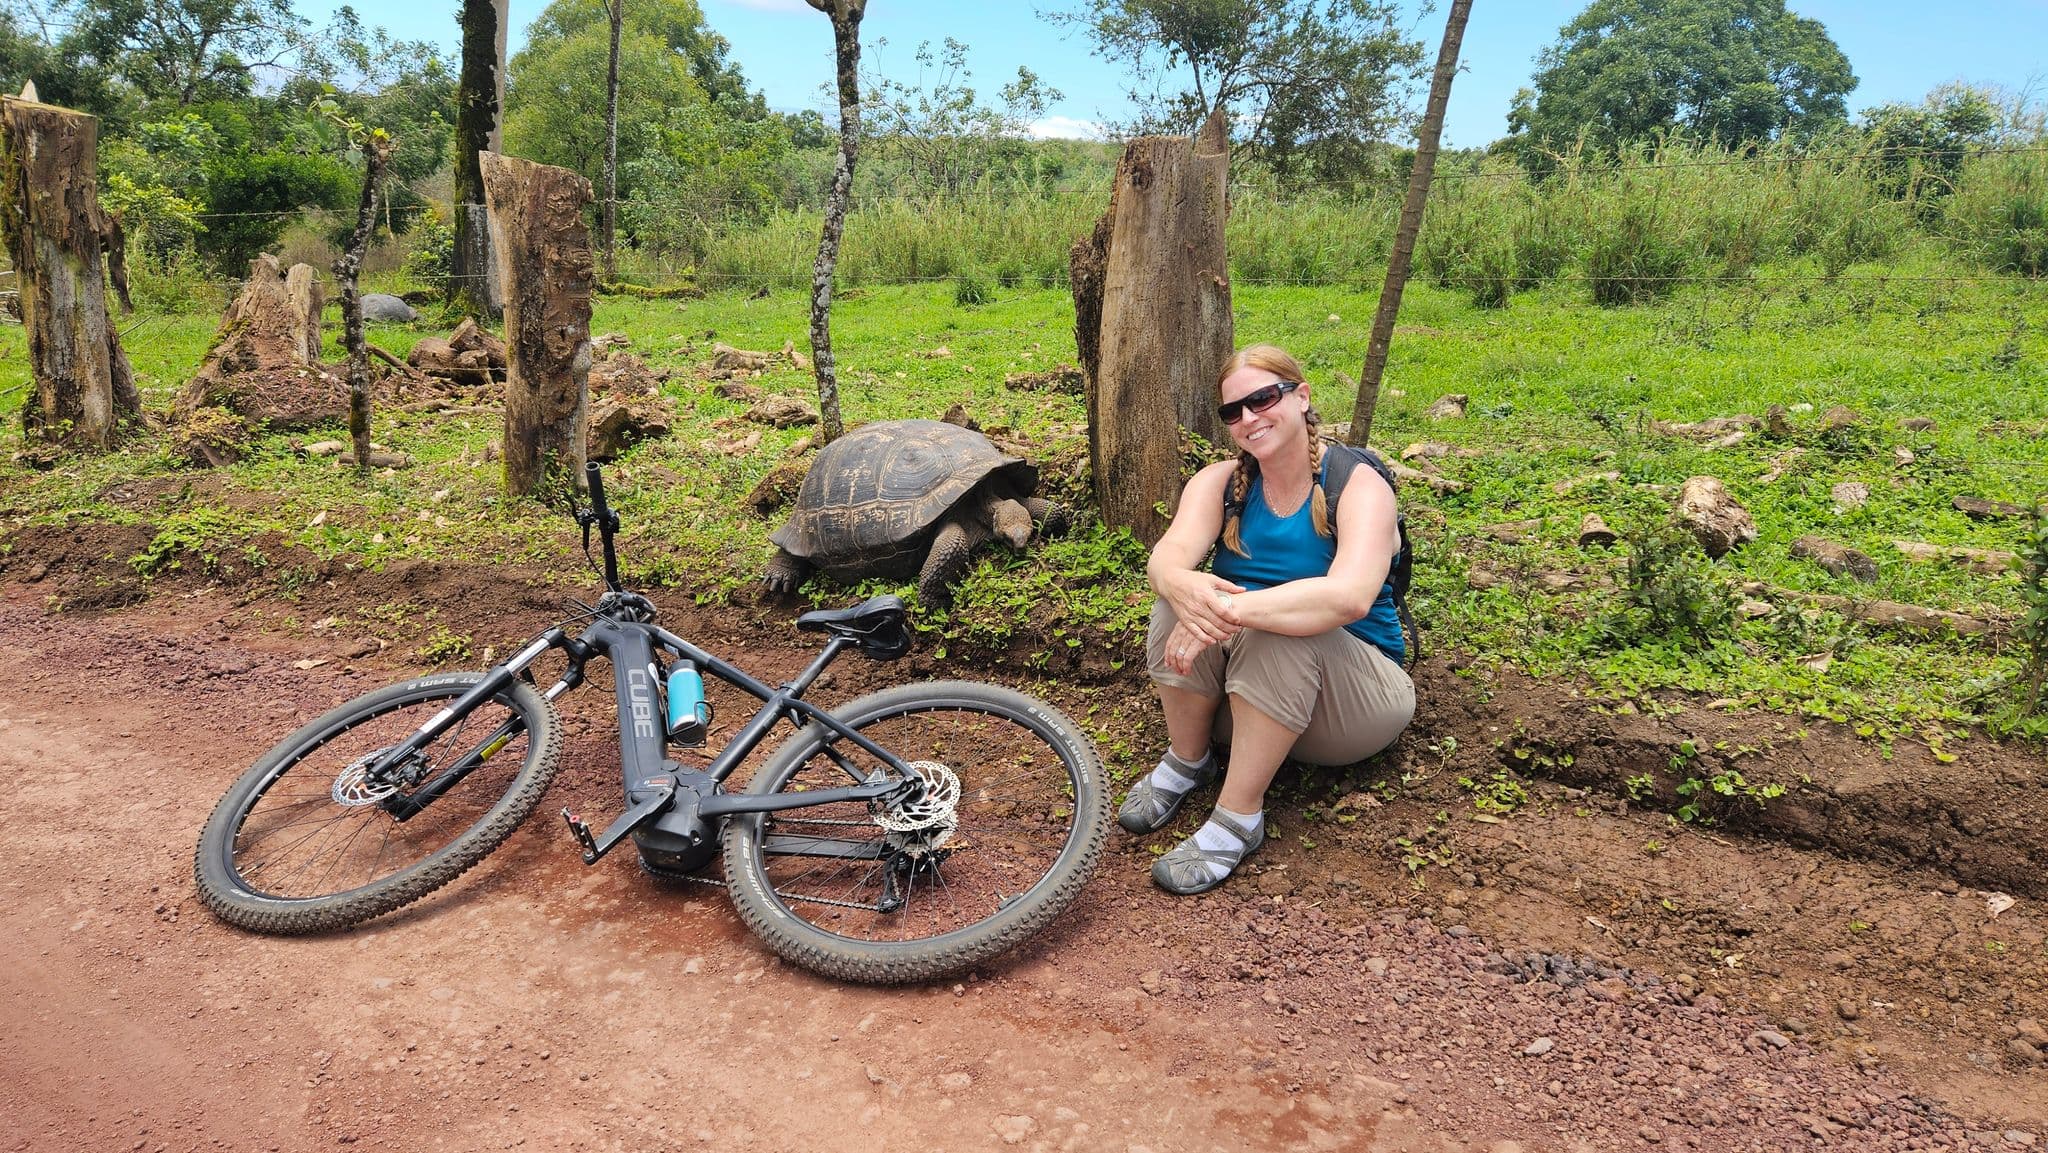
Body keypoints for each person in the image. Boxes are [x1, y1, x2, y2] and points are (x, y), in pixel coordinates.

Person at [1120, 343, 1416, 895]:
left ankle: (1239, 816)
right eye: (1233, 411)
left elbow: (1348, 598)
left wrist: (1227, 609)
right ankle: (1190, 761)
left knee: (1282, 628)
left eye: (1262, 399)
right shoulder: (1220, 483)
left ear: (1301, 397)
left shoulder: (1358, 485)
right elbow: (1165, 558)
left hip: (1353, 705)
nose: (1248, 420)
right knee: (1175, 602)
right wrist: (1183, 587)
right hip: (1254, 699)